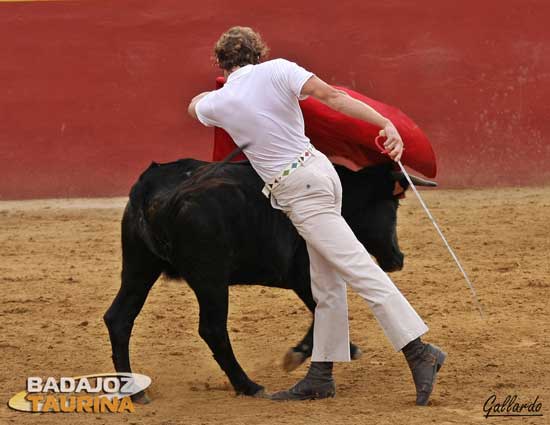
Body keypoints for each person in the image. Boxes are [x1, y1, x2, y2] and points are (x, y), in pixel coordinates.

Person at [188, 26, 446, 404]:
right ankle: (321, 375)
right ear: (260, 53)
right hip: (321, 173)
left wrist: (215, 90)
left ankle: (418, 350)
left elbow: (193, 106)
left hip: (299, 190)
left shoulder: (219, 101)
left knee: (359, 269)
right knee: (326, 285)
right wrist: (384, 123)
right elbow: (333, 98)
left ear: (221, 63)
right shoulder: (279, 69)